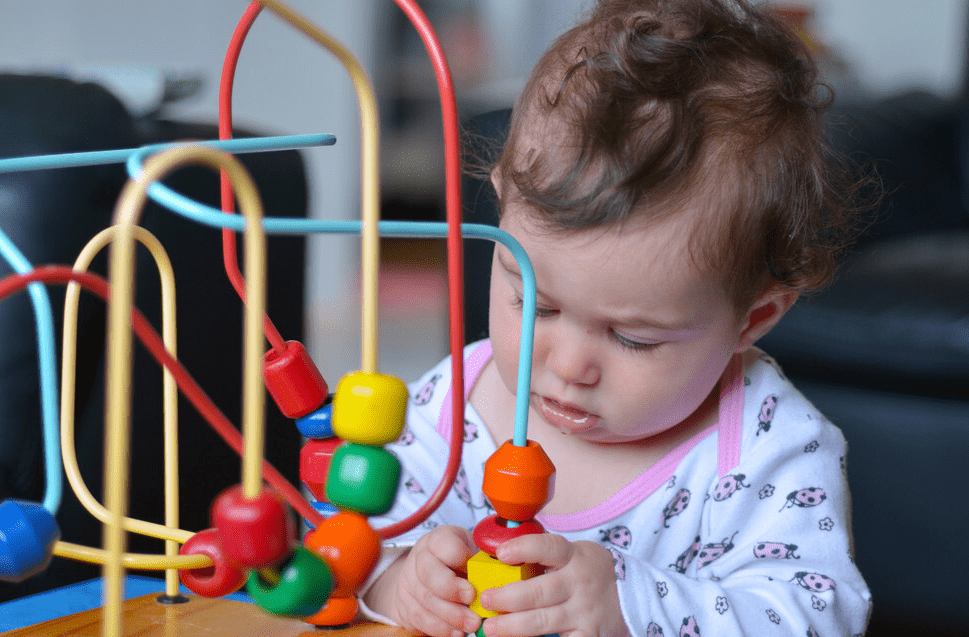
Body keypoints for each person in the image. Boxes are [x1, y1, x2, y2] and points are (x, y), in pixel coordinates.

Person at [361, 1, 873, 636]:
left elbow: (818, 617)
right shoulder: (448, 408)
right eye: (537, 304)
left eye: (633, 338)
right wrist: (400, 581)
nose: (568, 364)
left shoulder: (767, 453)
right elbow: (348, 547)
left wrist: (632, 607)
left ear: (753, 317)